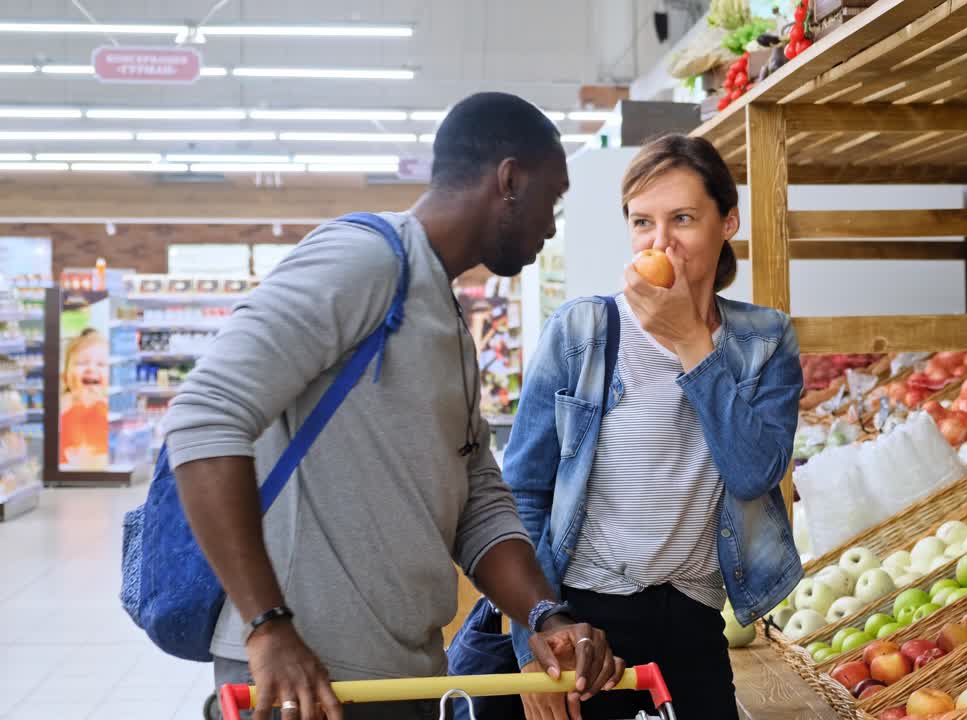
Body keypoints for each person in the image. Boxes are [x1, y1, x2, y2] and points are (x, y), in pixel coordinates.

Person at [163, 92, 623, 720]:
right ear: (510, 180)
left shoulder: (444, 316)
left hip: (404, 678)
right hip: (304, 680)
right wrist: (268, 626)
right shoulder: (364, 259)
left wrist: (545, 614)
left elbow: (477, 502)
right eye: (553, 197)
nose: (552, 222)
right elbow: (204, 415)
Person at [503, 134, 805, 720]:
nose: (660, 241)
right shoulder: (582, 331)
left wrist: (692, 341)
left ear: (728, 222)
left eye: (683, 218)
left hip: (693, 616)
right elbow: (522, 496)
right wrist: (534, 639)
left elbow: (753, 473)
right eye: (643, 222)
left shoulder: (764, 340)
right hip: (586, 621)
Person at [59, 328, 109, 469]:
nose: (91, 368)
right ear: (65, 375)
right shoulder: (62, 406)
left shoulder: (110, 409)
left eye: (101, 364)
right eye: (81, 363)